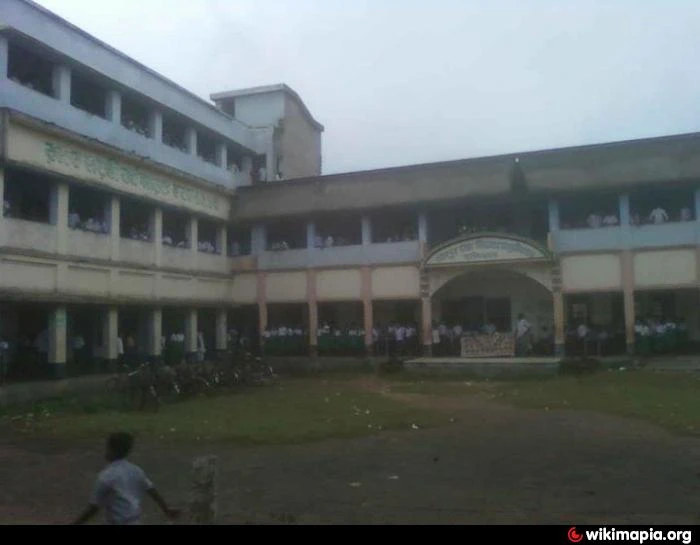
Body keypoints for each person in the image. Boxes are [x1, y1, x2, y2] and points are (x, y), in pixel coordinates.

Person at [72, 432, 180, 525]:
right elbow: (151, 490)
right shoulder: (136, 470)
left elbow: (93, 508)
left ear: (111, 450)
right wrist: (166, 509)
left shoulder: (106, 476)